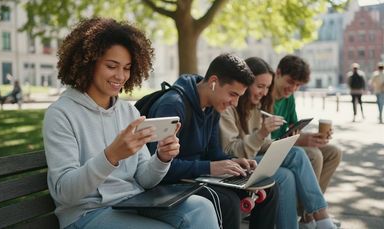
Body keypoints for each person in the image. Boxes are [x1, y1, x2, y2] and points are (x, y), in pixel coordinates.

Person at [43, 17, 219, 229]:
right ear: (87, 63)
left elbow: (144, 179)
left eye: (127, 68)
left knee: (201, 207)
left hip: (131, 203)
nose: (121, 76)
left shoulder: (127, 111)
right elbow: (65, 192)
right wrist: (111, 156)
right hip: (86, 213)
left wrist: (162, 158)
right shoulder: (61, 114)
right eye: (111, 66)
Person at [147, 53, 279, 229]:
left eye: (239, 96)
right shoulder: (172, 105)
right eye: (233, 94)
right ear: (213, 82)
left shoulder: (212, 108)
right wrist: (210, 167)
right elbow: (155, 168)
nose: (235, 103)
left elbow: (213, 152)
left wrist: (234, 162)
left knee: (268, 190)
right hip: (168, 184)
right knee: (227, 201)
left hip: (194, 177)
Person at [220, 57, 338, 229]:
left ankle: (313, 218)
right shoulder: (229, 107)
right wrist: (262, 133)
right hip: (235, 165)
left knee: (291, 170)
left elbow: (265, 141)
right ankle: (319, 217)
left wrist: (281, 142)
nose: (264, 92)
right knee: (298, 157)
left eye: (267, 87)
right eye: (260, 86)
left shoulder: (253, 106)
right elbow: (232, 151)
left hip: (251, 159)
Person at [270, 55, 342, 226]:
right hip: (270, 148)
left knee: (333, 152)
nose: (293, 88)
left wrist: (313, 138)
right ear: (278, 73)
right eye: (291, 82)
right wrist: (302, 141)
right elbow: (268, 139)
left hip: (286, 145)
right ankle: (311, 216)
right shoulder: (266, 94)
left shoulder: (289, 98)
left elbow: (292, 130)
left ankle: (309, 212)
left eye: (298, 85)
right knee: (313, 155)